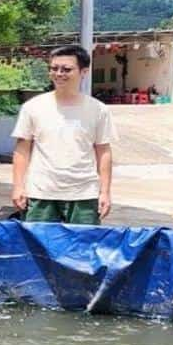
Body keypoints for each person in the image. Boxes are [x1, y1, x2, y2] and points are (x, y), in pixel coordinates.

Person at [10, 44, 117, 224]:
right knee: (39, 248)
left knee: (82, 249)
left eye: (66, 69)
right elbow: (22, 149)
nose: (59, 74)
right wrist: (18, 186)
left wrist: (105, 192)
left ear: (84, 72)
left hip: (84, 194)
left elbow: (103, 151)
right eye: (54, 68)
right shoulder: (33, 107)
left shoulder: (98, 110)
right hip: (41, 192)